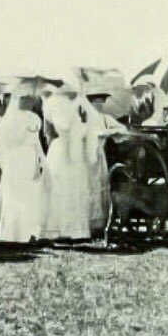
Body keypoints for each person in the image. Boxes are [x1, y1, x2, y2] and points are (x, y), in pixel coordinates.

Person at [0, 88, 48, 244]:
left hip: (30, 157)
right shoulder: (9, 120)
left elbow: (37, 141)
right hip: (15, 159)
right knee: (14, 193)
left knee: (31, 192)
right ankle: (13, 232)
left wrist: (42, 160)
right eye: (25, 99)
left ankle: (29, 231)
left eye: (31, 99)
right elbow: (4, 141)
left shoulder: (34, 118)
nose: (29, 102)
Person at [42, 83, 93, 241]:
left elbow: (50, 132)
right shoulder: (57, 105)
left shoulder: (66, 105)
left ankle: (72, 228)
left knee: (73, 187)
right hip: (63, 149)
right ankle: (61, 228)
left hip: (68, 148)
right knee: (61, 187)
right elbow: (62, 128)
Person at [85, 89, 128, 234]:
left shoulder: (104, 117)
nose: (100, 105)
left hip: (99, 154)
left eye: (102, 102)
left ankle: (100, 222)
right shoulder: (85, 117)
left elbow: (121, 129)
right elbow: (92, 133)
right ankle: (89, 220)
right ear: (90, 102)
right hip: (87, 155)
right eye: (97, 102)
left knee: (101, 183)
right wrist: (108, 132)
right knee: (90, 185)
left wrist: (117, 130)